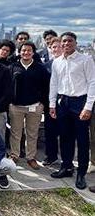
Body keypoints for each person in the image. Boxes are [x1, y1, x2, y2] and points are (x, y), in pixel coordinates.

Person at [49, 32, 95, 189]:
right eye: (64, 41)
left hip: (80, 101)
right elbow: (54, 84)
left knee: (82, 139)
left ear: (75, 43)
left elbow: (92, 83)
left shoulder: (85, 60)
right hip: (63, 102)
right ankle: (66, 166)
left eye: (69, 41)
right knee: (65, 137)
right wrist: (52, 104)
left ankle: (81, 172)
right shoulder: (57, 62)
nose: (66, 44)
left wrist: (88, 107)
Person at [8, 41, 49, 169]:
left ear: (33, 52)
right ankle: (14, 155)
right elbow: (7, 86)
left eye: (29, 50)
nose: (26, 52)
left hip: (35, 106)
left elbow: (46, 87)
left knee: (32, 133)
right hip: (16, 106)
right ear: (19, 52)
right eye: (23, 50)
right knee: (15, 133)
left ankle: (31, 157)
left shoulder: (40, 68)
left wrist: (42, 104)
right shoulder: (13, 67)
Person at [43, 37, 62, 165]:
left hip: (66, 102)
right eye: (54, 47)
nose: (56, 49)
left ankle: (67, 159)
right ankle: (51, 156)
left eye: (59, 46)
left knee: (66, 132)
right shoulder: (46, 66)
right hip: (49, 102)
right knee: (50, 131)